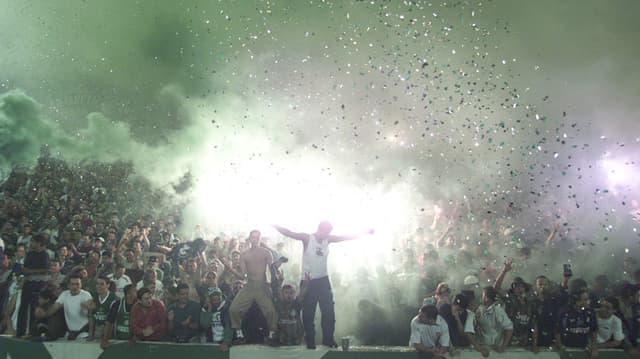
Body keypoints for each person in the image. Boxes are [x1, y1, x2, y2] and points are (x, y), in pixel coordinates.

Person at [274, 221, 372, 349]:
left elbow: (344, 237)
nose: (327, 235)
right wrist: (275, 225)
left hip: (323, 280)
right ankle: (310, 340)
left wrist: (364, 233)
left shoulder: (328, 239)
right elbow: (289, 233)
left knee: (329, 311)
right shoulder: (307, 238)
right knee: (309, 312)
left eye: (328, 233)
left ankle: (328, 339)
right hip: (308, 280)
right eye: (325, 232)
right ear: (319, 229)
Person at [228, 230, 278, 345]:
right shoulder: (244, 254)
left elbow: (272, 269)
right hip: (249, 285)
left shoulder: (266, 252)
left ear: (260, 239)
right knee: (233, 309)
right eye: (253, 237)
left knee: (271, 311)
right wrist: (229, 267)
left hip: (262, 285)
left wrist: (277, 271)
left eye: (257, 237)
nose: (255, 239)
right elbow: (242, 275)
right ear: (249, 238)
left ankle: (272, 336)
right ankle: (239, 335)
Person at [35, 274, 93, 340]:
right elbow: (54, 308)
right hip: (70, 331)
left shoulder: (86, 295)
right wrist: (44, 315)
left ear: (81, 284)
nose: (75, 286)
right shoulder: (64, 294)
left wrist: (87, 306)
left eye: (77, 284)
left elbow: (91, 313)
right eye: (72, 284)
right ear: (68, 285)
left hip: (84, 330)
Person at [17, 233, 50, 337]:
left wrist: (31, 271)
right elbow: (25, 268)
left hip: (39, 284)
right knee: (23, 308)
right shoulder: (30, 254)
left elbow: (46, 269)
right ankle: (20, 332)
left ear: (39, 243)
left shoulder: (45, 255)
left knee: (34, 309)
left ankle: (32, 332)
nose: (31, 243)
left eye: (33, 241)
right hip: (28, 283)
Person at [555, 288, 598, 358]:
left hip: (584, 347)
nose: (588, 302)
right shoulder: (564, 311)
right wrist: (560, 346)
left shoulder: (590, 312)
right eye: (585, 299)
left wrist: (594, 348)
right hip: (567, 347)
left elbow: (594, 330)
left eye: (588, 299)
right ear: (577, 301)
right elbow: (557, 331)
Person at [475, 286, 513, 352]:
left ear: (487, 298)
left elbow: (509, 327)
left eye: (483, 295)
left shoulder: (497, 310)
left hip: (495, 348)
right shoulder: (480, 309)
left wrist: (503, 346)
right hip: (482, 347)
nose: (482, 297)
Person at [101, 284, 137, 349]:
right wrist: (105, 339)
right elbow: (109, 322)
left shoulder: (138, 305)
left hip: (133, 341)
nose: (137, 293)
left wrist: (135, 337)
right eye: (135, 291)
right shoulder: (117, 304)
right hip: (118, 339)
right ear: (128, 294)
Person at [200, 287, 232, 351]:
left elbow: (229, 326)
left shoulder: (228, 306)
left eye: (218, 299)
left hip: (226, 342)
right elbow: (204, 325)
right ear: (209, 299)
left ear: (221, 296)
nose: (217, 302)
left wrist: (226, 342)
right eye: (214, 300)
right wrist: (209, 310)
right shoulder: (205, 309)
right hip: (211, 341)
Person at [88, 276, 118, 341]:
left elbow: (113, 321)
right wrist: (90, 334)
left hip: (108, 333)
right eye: (97, 284)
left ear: (108, 285)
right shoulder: (94, 297)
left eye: (101, 284)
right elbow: (91, 317)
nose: (98, 286)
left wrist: (106, 336)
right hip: (97, 332)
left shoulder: (114, 299)